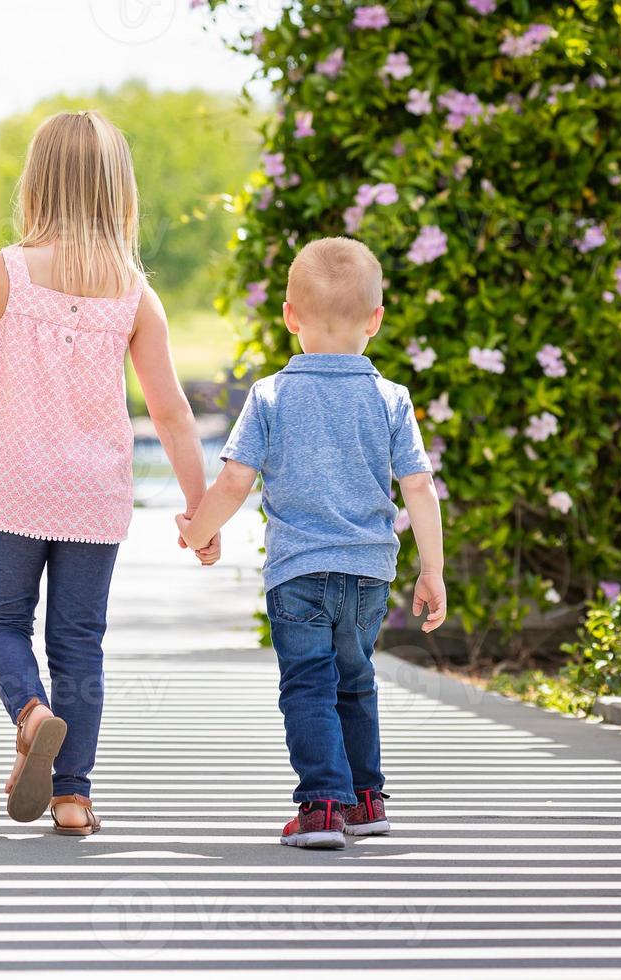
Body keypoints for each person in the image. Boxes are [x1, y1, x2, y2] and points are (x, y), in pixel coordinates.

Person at [0, 111, 215, 835]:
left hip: (12, 484)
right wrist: (200, 509)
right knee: (79, 640)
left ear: (35, 184)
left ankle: (29, 710)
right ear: (119, 192)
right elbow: (170, 412)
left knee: (0, 622)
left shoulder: (3, 273)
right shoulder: (136, 294)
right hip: (92, 496)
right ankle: (73, 796)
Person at [176, 236, 447, 849]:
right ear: (376, 320)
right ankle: (367, 798)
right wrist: (432, 570)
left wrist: (198, 529)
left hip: (299, 576)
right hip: (369, 578)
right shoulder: (390, 399)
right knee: (355, 679)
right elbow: (420, 488)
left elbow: (235, 480)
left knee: (307, 685)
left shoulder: (271, 395)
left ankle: (323, 805)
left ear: (289, 317)